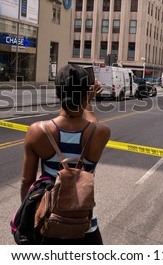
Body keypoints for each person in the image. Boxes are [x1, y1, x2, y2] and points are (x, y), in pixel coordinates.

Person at [20, 64, 111, 244]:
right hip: (84, 225)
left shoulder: (38, 131)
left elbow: (26, 182)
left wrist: (31, 213)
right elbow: (92, 122)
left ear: (58, 92)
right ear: (86, 92)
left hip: (47, 222)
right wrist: (88, 103)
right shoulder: (100, 133)